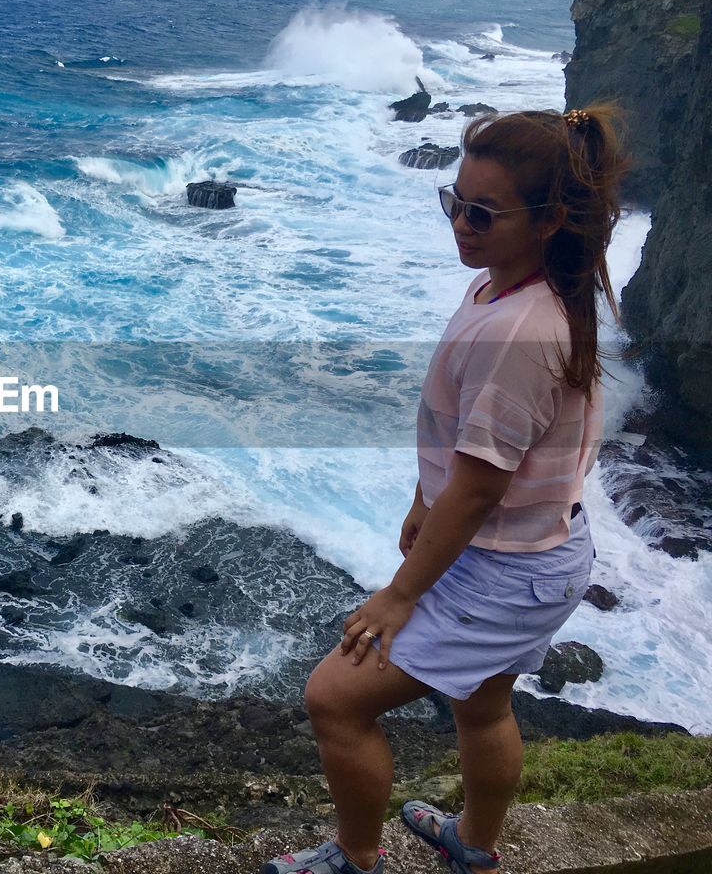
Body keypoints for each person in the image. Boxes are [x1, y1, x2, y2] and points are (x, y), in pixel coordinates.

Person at [262, 104, 630, 874]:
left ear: (551, 218)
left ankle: (356, 859)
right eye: (454, 202)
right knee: (483, 703)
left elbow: (480, 487)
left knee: (335, 698)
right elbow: (487, 450)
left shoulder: (519, 331)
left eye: (483, 212)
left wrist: (400, 593)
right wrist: (424, 499)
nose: (461, 223)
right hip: (538, 551)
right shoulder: (515, 288)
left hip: (503, 567)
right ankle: (474, 847)